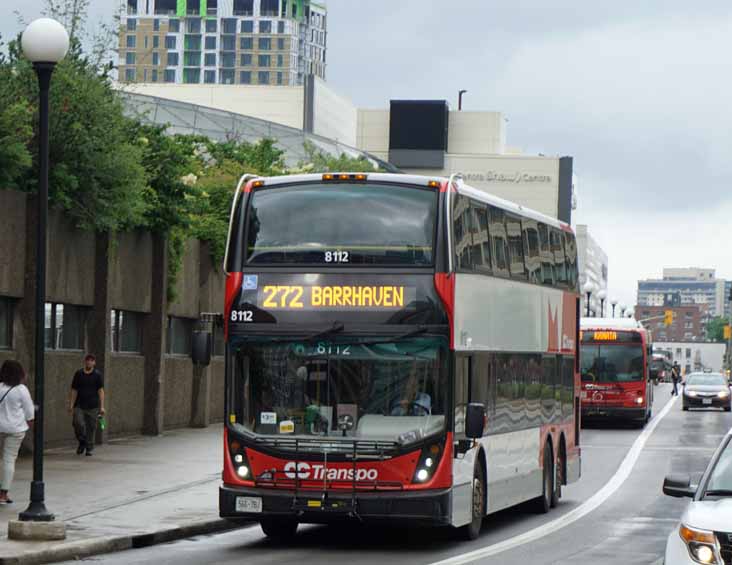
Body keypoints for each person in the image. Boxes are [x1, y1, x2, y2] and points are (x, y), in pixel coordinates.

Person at [0, 360, 34, 504]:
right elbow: (29, 412)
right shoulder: (21, 389)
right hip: (15, 429)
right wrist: (30, 424)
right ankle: (3, 494)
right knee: (9, 460)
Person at [67, 354, 105, 456]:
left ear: (94, 363)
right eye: (87, 360)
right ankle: (82, 441)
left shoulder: (97, 375)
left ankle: (89, 448)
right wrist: (71, 404)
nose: (89, 362)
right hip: (79, 405)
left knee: (91, 427)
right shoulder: (78, 374)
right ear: (85, 362)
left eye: (91, 361)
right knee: (77, 423)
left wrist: (102, 406)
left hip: (93, 406)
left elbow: (101, 391)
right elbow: (74, 390)